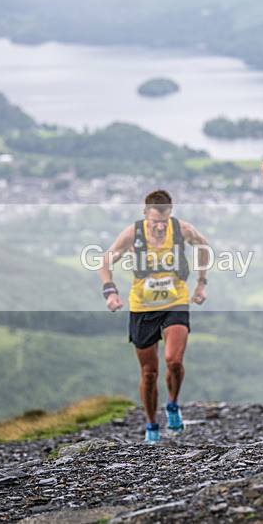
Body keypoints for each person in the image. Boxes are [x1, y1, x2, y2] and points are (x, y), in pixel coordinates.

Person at [100, 189, 210, 443]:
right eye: (154, 222)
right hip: (142, 307)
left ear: (170, 214)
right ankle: (151, 424)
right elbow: (105, 261)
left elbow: (204, 247)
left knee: (173, 360)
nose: (160, 228)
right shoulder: (133, 234)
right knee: (149, 373)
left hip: (176, 302)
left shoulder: (183, 230)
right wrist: (110, 293)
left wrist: (201, 283)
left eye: (164, 222)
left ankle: (172, 404)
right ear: (144, 215)